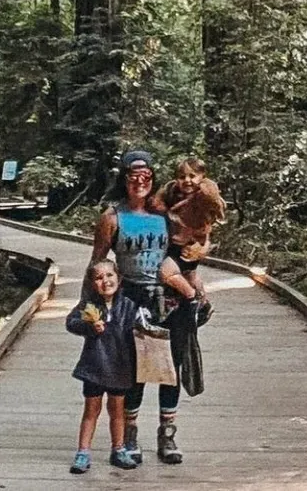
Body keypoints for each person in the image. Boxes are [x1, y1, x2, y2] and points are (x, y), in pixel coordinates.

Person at [91, 150, 195, 465]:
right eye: (133, 176)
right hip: (129, 300)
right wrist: (93, 307)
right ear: (123, 179)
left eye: (146, 175)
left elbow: (188, 253)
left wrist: (194, 291)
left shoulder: (165, 216)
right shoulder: (112, 218)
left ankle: (167, 435)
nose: (140, 181)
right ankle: (130, 435)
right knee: (133, 371)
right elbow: (97, 261)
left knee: (169, 370)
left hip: (168, 299)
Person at [65, 260, 139, 474]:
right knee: (91, 410)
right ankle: (83, 452)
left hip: (120, 366)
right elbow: (71, 322)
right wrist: (88, 326)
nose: (105, 281)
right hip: (95, 366)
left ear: (119, 278)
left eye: (109, 275)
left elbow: (141, 325)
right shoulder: (89, 304)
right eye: (99, 278)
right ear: (92, 283)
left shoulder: (128, 305)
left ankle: (118, 449)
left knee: (117, 410)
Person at [151, 157, 225, 308]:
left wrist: (205, 185)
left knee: (166, 272)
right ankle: (203, 302)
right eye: (182, 177)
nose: (187, 180)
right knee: (189, 274)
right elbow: (157, 204)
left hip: (191, 245)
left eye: (192, 176)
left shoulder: (202, 195)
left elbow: (213, 200)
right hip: (175, 242)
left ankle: (192, 297)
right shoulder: (173, 192)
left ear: (202, 177)